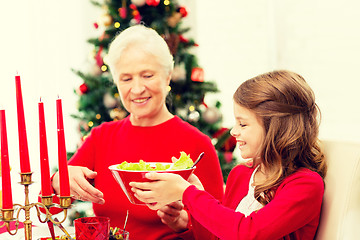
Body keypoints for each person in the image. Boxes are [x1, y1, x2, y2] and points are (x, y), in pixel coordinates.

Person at [51, 25, 224, 240]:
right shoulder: (101, 137)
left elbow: (219, 230)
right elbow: (49, 210)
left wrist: (185, 224)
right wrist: (58, 182)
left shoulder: (197, 143)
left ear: (167, 77)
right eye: (126, 79)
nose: (137, 88)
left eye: (147, 75)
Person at [130, 70, 327, 240]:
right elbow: (220, 235)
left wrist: (188, 193)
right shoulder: (241, 174)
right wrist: (186, 219)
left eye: (243, 124)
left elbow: (248, 233)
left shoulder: (305, 185)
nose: (233, 131)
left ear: (275, 128)